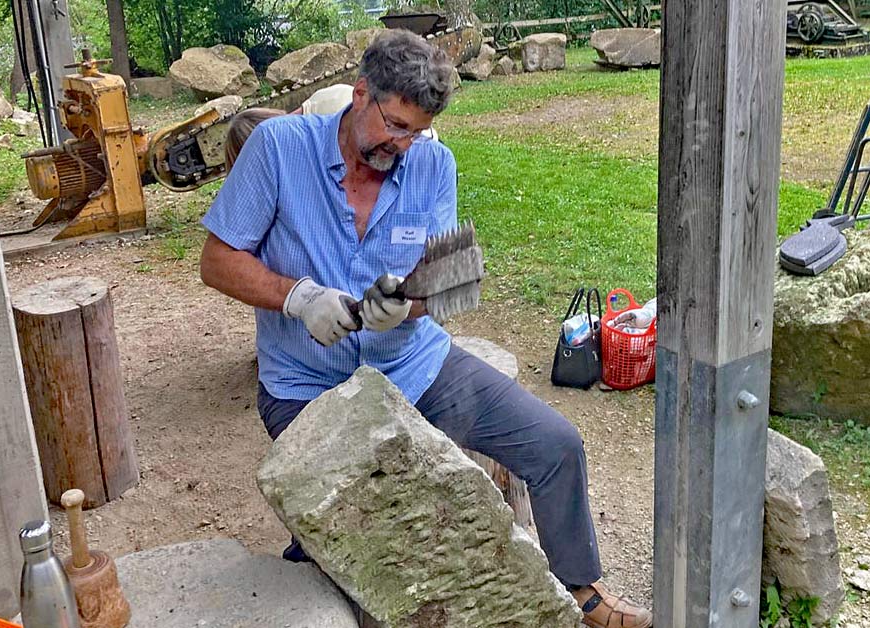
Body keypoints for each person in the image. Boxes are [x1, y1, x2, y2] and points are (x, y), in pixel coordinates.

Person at [197, 29, 652, 628]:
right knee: (358, 517)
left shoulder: (433, 162)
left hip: (414, 365)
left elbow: (446, 282)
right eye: (396, 125)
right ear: (360, 94)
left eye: (418, 130)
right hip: (307, 384)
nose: (405, 145)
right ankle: (312, 570)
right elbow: (216, 260)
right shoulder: (279, 149)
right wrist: (298, 297)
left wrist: (408, 304)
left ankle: (580, 589)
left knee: (554, 444)